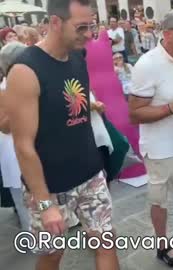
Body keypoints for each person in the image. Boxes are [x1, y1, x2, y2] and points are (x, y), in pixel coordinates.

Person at [4, 0, 119, 269]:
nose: (90, 34)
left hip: (90, 175)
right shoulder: (25, 71)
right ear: (55, 22)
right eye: (81, 27)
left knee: (105, 241)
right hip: (49, 187)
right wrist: (45, 206)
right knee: (53, 254)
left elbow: (70, 107)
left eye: (92, 25)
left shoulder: (78, 55)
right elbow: (23, 146)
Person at [128, 10, 173, 268]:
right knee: (160, 200)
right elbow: (135, 114)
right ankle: (162, 246)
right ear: (167, 34)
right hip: (159, 147)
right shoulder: (147, 64)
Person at [0, 42, 30, 231]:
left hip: (35, 154)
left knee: (40, 199)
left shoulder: (32, 81)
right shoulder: (3, 89)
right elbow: (5, 127)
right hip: (14, 153)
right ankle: (36, 238)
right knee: (23, 202)